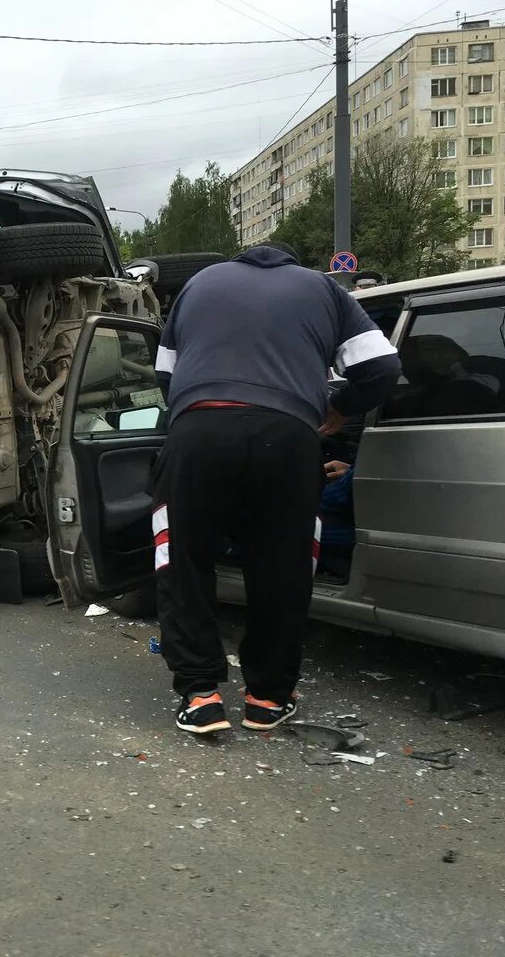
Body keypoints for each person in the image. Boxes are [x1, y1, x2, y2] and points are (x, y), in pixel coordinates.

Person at [151, 241, 401, 735]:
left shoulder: (199, 285)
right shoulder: (324, 288)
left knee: (183, 560)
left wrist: (197, 414)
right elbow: (383, 367)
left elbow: (165, 372)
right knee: (282, 567)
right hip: (288, 436)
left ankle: (200, 696)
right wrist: (341, 409)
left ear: (238, 260)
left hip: (199, 431)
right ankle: (267, 698)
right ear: (291, 263)